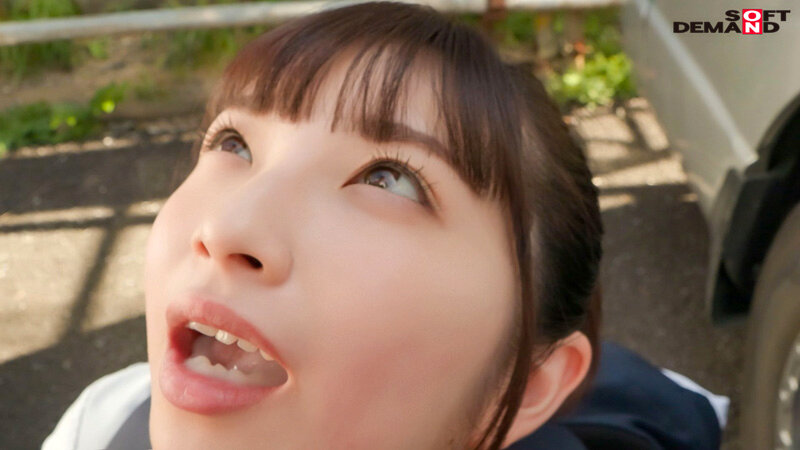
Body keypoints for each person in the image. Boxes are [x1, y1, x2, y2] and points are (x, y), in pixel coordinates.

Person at [42, 2, 727, 449]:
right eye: (233, 142)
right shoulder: (102, 422)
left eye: (389, 178)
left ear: (524, 386)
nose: (227, 226)